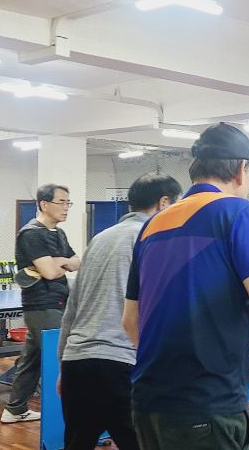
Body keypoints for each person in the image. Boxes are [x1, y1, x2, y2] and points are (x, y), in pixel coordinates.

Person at [122, 123, 249, 450]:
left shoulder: (153, 224)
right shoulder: (235, 211)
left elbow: (131, 320)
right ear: (241, 170)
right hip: (205, 404)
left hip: (148, 402)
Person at [57, 174, 182, 449]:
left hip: (77, 363)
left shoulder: (99, 239)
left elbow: (72, 308)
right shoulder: (154, 240)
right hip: (122, 364)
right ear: (164, 203)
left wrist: (63, 367)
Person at [2, 184, 80, 424]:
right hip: (41, 306)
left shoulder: (59, 234)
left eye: (68, 202)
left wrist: (59, 261)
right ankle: (64, 419)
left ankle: (15, 409)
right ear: (44, 204)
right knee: (60, 359)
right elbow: (49, 272)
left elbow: (78, 262)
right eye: (61, 202)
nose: (66, 207)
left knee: (31, 360)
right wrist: (60, 263)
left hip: (59, 301)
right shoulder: (31, 234)